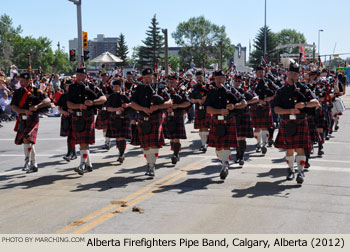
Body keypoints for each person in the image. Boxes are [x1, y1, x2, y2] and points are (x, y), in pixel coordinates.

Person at [274, 63, 319, 184]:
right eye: (291, 73)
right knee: (289, 149)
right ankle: (290, 170)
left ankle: (300, 171)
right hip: (286, 122)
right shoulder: (281, 91)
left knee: (299, 148)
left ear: (298, 75)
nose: (293, 76)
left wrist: (304, 104)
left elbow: (316, 102)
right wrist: (289, 110)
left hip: (300, 121)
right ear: (287, 73)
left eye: (295, 74)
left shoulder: (303, 88)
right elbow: (276, 109)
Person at [204, 70, 247, 180]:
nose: (219, 80)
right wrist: (219, 111)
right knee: (218, 148)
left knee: (226, 146)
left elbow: (244, 103)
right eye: (217, 78)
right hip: (216, 120)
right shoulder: (211, 91)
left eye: (221, 78)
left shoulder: (231, 90)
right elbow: (208, 108)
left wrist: (234, 106)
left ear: (225, 78)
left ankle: (225, 165)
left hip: (229, 120)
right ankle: (223, 162)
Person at [130, 68, 172, 177]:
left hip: (156, 117)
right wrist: (143, 109)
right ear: (142, 78)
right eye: (145, 77)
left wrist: (158, 106)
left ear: (153, 77)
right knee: (145, 145)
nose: (147, 79)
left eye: (149, 77)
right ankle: (148, 163)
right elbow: (132, 103)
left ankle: (152, 165)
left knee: (154, 144)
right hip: (143, 117)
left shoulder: (160, 88)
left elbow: (169, 102)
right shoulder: (138, 89)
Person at [67, 68, 107, 175]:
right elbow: (68, 104)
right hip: (76, 116)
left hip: (88, 116)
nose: (80, 77)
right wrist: (78, 106)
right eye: (78, 75)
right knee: (82, 143)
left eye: (82, 75)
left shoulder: (92, 87)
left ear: (86, 76)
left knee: (83, 142)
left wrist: (93, 102)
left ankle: (82, 165)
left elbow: (103, 98)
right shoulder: (72, 87)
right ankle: (88, 164)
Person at [10, 72, 51, 173]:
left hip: (32, 118)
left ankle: (27, 162)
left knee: (27, 139)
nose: (21, 82)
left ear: (29, 81)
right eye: (20, 81)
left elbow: (48, 100)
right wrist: (24, 111)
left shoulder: (36, 91)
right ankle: (33, 163)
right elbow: (13, 107)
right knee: (27, 141)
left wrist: (38, 106)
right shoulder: (18, 92)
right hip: (22, 119)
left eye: (23, 81)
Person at [250, 65, 276, 154]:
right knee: (257, 127)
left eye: (262, 72)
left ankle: (264, 144)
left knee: (265, 126)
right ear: (256, 73)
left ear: (264, 72)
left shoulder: (268, 82)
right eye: (259, 72)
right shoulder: (252, 82)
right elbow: (248, 93)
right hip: (255, 106)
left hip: (265, 105)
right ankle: (258, 144)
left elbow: (278, 91)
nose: (260, 73)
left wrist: (271, 98)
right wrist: (258, 100)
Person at [165, 74, 191, 164]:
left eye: (173, 82)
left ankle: (175, 154)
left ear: (177, 82)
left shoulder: (182, 91)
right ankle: (175, 152)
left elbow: (188, 103)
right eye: (169, 82)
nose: (171, 84)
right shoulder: (164, 91)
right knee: (171, 138)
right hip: (167, 116)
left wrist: (178, 106)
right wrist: (165, 108)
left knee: (176, 137)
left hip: (178, 115)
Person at [106, 79, 132, 164]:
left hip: (124, 118)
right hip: (114, 118)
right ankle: (120, 153)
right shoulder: (111, 97)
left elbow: (132, 105)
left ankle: (121, 154)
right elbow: (108, 108)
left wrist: (127, 105)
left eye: (117, 86)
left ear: (120, 87)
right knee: (118, 137)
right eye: (114, 86)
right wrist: (117, 109)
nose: (115, 88)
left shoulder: (125, 96)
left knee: (121, 137)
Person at [232, 75, 256, 165]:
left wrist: (245, 103)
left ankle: (241, 157)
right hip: (234, 115)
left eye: (239, 81)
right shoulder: (229, 90)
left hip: (244, 114)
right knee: (237, 137)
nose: (237, 82)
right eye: (236, 80)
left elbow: (256, 98)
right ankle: (238, 154)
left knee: (241, 137)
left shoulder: (246, 90)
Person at [190, 71, 211, 152]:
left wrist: (206, 98)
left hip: (207, 108)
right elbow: (190, 98)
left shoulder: (208, 86)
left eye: (200, 77)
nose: (199, 78)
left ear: (204, 77)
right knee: (201, 128)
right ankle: (204, 143)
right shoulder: (195, 87)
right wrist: (197, 100)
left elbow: (213, 96)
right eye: (197, 77)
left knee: (205, 127)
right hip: (199, 109)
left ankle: (204, 144)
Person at [56, 80, 77, 161]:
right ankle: (72, 153)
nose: (67, 87)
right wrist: (63, 112)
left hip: (74, 117)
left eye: (69, 85)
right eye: (66, 85)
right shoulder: (63, 96)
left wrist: (73, 111)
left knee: (72, 136)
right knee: (69, 136)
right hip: (65, 117)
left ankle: (71, 153)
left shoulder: (76, 96)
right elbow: (59, 108)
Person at [95, 73, 113, 149]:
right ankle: (107, 141)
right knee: (104, 126)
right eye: (102, 77)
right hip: (102, 108)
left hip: (109, 108)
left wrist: (109, 96)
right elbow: (95, 95)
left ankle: (108, 141)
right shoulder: (98, 87)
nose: (104, 78)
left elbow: (114, 95)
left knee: (108, 126)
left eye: (105, 77)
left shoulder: (110, 87)